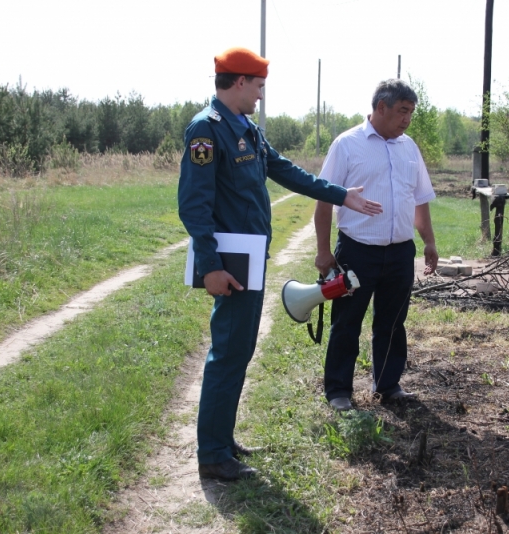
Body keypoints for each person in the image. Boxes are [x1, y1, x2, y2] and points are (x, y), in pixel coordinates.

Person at [178, 47, 382, 481]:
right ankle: (212, 455)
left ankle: (221, 440)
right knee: (227, 353)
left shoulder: (246, 128)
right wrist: (210, 267)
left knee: (239, 351)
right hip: (229, 266)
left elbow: (287, 171)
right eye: (258, 86)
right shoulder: (206, 130)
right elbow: (194, 206)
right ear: (238, 82)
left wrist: (340, 194)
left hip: (249, 262)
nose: (261, 95)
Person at [314, 78, 438, 412]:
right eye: (402, 111)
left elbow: (420, 199)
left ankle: (388, 384)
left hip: (400, 252)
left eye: (411, 112)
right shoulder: (347, 145)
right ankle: (339, 390)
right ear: (380, 108)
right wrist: (324, 251)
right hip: (356, 251)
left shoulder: (409, 148)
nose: (407, 120)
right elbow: (324, 200)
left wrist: (429, 241)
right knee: (347, 322)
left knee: (393, 322)